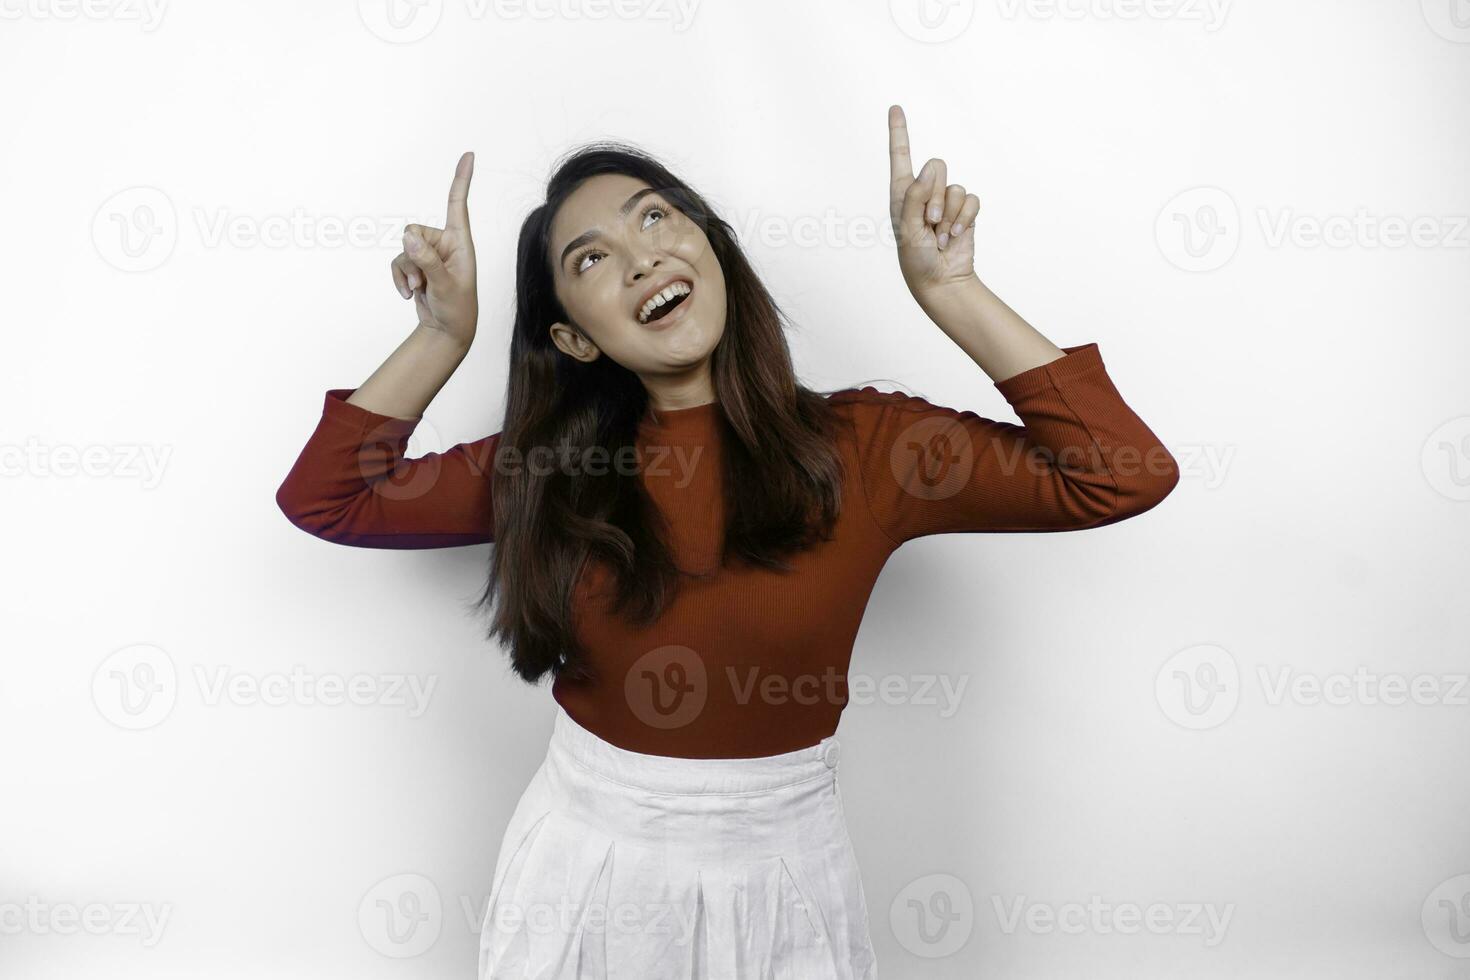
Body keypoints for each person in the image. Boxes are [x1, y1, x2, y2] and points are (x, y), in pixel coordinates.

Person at [275, 105, 1179, 979]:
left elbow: (1122, 471)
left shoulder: (872, 449)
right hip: (585, 866)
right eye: (593, 259)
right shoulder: (542, 467)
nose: (642, 259)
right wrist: (441, 335)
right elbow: (330, 499)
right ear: (573, 338)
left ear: (710, 246)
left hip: (786, 868)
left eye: (656, 218)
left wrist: (952, 290)